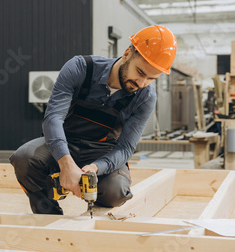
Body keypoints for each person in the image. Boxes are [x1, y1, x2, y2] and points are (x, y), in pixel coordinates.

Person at [10, 25, 177, 214]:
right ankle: (49, 215)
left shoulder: (145, 96)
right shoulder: (81, 68)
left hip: (102, 151)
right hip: (65, 142)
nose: (141, 84)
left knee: (116, 192)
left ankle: (95, 208)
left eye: (151, 79)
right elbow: (53, 118)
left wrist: (96, 168)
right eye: (140, 72)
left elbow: (125, 148)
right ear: (127, 53)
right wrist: (66, 164)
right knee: (24, 158)